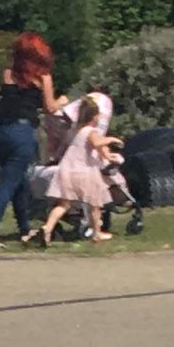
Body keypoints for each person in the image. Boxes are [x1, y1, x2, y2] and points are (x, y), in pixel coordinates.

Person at [0, 37, 57, 247]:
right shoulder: (42, 77)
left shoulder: (8, 74)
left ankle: (24, 229)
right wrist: (62, 101)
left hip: (1, 131)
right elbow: (50, 107)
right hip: (22, 132)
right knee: (8, 184)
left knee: (20, 182)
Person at [37, 92, 126, 247]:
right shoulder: (91, 132)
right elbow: (98, 143)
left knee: (64, 204)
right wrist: (111, 139)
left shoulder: (76, 131)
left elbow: (99, 150)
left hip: (67, 170)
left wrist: (108, 156)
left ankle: (48, 227)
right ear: (95, 117)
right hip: (84, 172)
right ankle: (96, 233)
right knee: (94, 205)